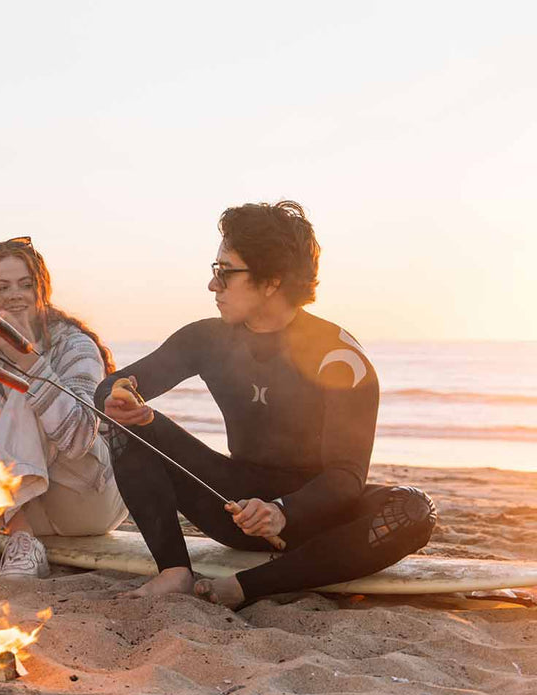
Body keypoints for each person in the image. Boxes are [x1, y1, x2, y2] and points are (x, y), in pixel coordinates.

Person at [94, 201, 437, 607]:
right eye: (214, 271)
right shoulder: (206, 338)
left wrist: (282, 511)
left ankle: (247, 587)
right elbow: (111, 387)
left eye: (225, 272)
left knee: (415, 510)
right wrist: (124, 400)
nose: (213, 285)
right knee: (127, 425)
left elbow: (346, 477)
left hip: (313, 518)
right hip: (231, 505)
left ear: (272, 280)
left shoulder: (339, 359)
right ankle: (174, 572)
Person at [0, 236, 128, 581]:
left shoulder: (75, 345)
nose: (15, 294)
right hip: (27, 507)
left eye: (26, 284)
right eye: (2, 286)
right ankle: (23, 540)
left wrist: (33, 365)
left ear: (41, 291)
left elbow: (80, 438)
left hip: (87, 498)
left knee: (23, 392)